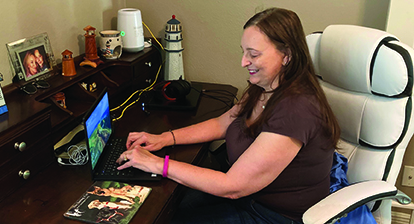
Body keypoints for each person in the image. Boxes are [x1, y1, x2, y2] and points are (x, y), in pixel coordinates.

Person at [116, 7, 340, 224]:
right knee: (165, 206)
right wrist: (164, 138)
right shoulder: (264, 87)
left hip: (272, 215)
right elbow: (222, 124)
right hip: (246, 197)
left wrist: (157, 164)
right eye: (243, 52)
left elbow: (232, 186)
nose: (243, 62)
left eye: (253, 54)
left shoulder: (296, 109)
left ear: (287, 55)